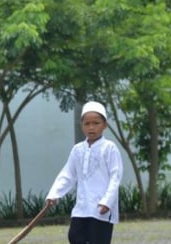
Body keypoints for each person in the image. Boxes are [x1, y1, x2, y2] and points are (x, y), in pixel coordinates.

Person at [46, 101, 123, 244]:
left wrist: (107, 201)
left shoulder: (109, 148)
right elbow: (68, 174)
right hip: (82, 206)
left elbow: (115, 176)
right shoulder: (77, 150)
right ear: (82, 126)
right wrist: (54, 194)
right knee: (74, 237)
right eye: (87, 124)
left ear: (104, 125)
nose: (91, 127)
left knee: (98, 240)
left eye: (96, 123)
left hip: (101, 208)